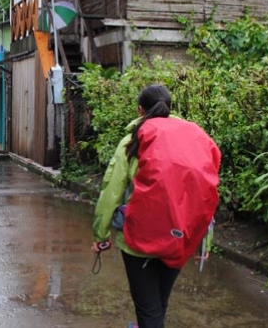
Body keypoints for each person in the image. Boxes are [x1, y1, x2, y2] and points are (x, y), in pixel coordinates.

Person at [91, 84, 221, 328]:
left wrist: (100, 234)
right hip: (180, 237)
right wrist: (204, 240)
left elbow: (111, 191)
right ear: (170, 109)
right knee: (158, 304)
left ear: (140, 110)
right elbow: (205, 193)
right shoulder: (195, 139)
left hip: (139, 240)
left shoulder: (133, 141)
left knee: (149, 311)